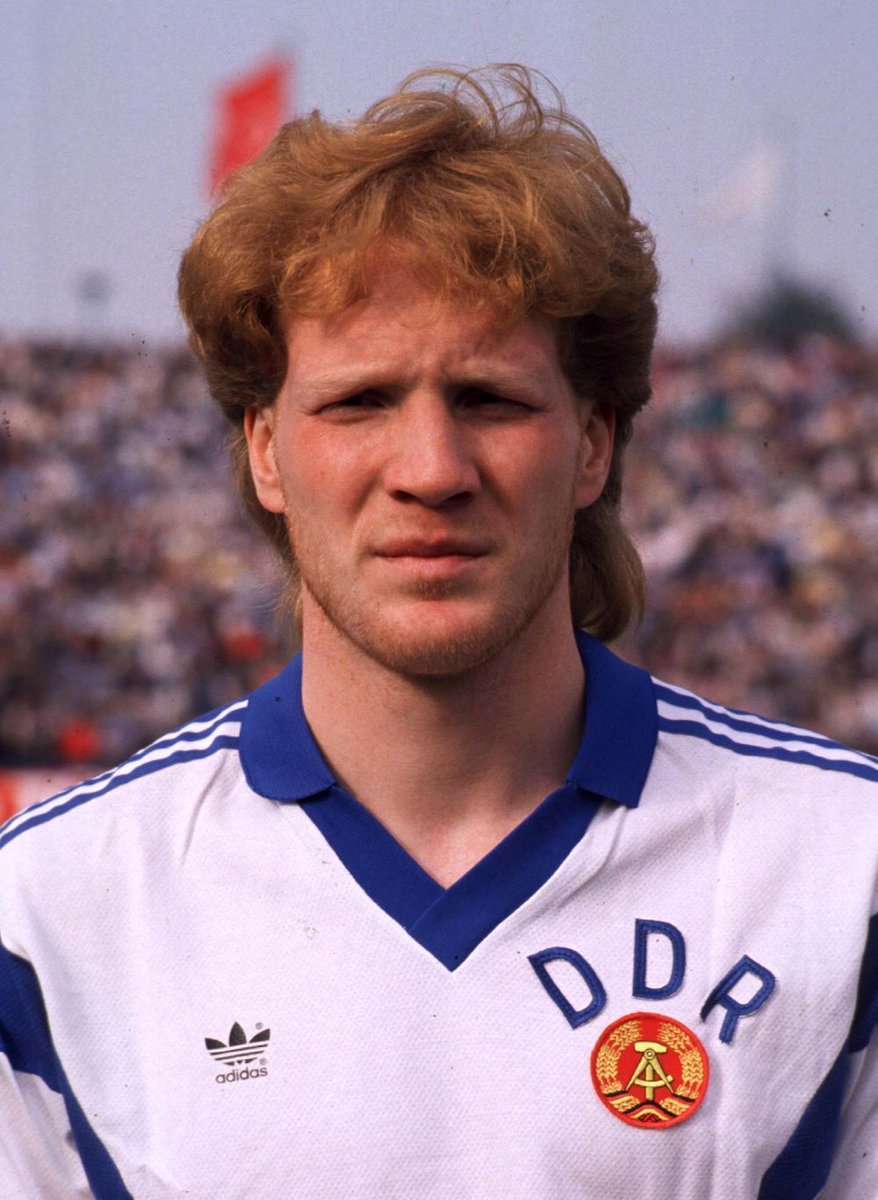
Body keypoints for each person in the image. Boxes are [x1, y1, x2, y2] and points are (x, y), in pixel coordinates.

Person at [0, 65, 875, 1200]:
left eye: (490, 400)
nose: (430, 471)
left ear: (594, 444)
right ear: (265, 451)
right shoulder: (53, 912)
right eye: (359, 401)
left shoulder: (842, 872)